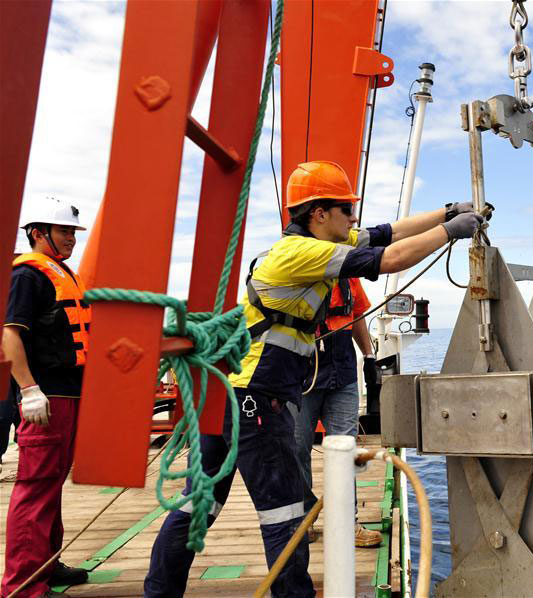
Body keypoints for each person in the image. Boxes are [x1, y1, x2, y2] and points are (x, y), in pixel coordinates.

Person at [143, 160, 483, 598]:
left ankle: (159, 593)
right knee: (287, 513)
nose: (353, 218)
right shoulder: (303, 254)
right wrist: (453, 232)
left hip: (229, 392)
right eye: (346, 209)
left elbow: (387, 233)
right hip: (255, 399)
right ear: (319, 214)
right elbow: (391, 257)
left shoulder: (312, 241)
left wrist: (445, 213)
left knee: (197, 504)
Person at [2, 197, 92, 598]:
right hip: (46, 396)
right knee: (36, 486)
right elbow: (10, 334)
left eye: (73, 232)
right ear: (39, 233)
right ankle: (22, 585)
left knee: (51, 484)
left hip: (69, 393)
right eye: (64, 232)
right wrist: (29, 390)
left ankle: (45, 564)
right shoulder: (29, 276)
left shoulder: (62, 273)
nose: (71, 239)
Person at [287, 277, 382, 547]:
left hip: (343, 377)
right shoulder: (295, 271)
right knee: (297, 449)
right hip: (301, 379)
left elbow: (357, 314)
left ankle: (347, 524)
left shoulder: (349, 276)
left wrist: (369, 356)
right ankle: (304, 519)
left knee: (344, 450)